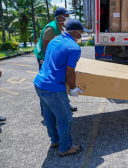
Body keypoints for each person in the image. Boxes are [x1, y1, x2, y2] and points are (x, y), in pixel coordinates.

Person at [34, 19, 89, 157]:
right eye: (81, 32)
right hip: (53, 88)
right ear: (75, 32)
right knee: (66, 118)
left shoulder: (54, 40)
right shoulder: (74, 48)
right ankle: (65, 148)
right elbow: (69, 73)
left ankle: (55, 141)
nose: (82, 34)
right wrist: (73, 88)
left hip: (39, 83)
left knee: (49, 114)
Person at [34, 7, 77, 114]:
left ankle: (64, 104)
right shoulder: (51, 28)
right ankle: (44, 110)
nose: (68, 17)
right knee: (46, 82)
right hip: (44, 58)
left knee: (61, 80)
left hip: (54, 58)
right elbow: (46, 49)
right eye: (66, 15)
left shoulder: (62, 27)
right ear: (59, 16)